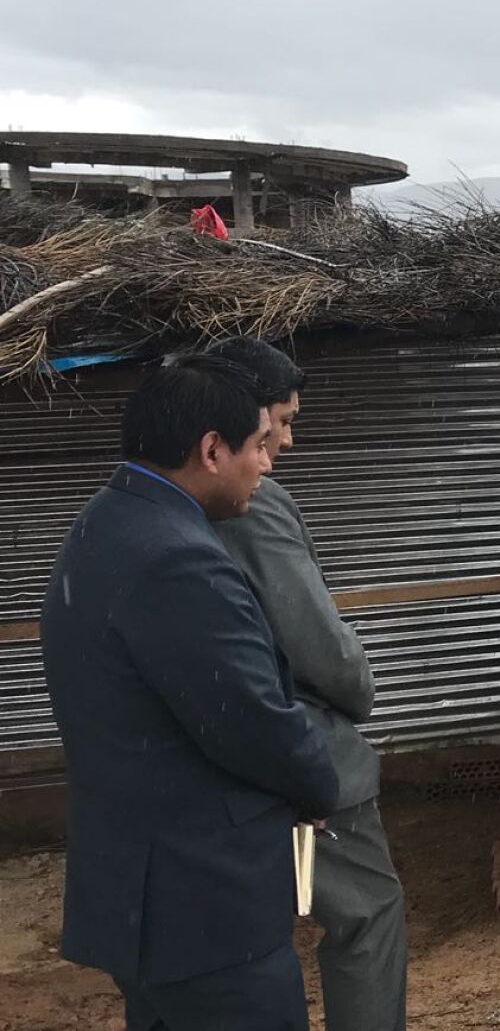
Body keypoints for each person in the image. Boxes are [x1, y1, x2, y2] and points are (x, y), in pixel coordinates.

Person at [40, 354, 339, 1030]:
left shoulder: (101, 526)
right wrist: (321, 785)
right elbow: (253, 719)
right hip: (207, 912)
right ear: (210, 449)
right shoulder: (178, 558)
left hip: (142, 898)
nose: (268, 465)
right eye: (258, 445)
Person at [206, 338, 407, 1031]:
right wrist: (357, 692)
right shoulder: (251, 503)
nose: (284, 443)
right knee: (365, 916)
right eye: (280, 422)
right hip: (306, 762)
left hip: (228, 766)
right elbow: (317, 644)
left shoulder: (164, 503)